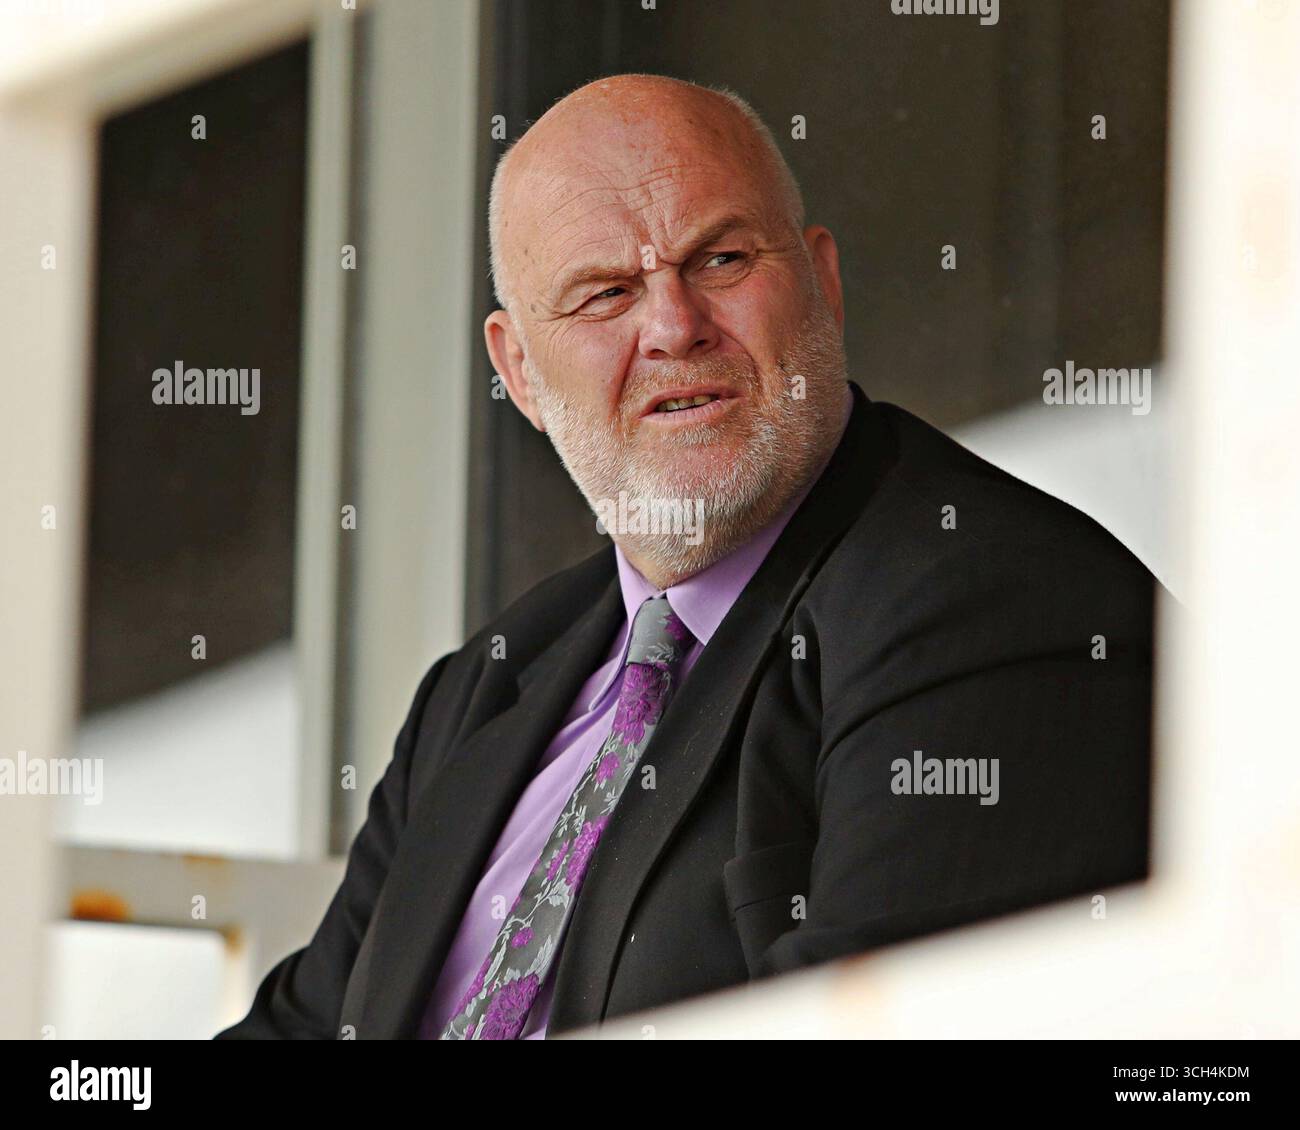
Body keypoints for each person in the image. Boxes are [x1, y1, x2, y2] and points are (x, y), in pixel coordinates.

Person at [217, 73, 1155, 1040]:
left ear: (822, 284)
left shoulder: (989, 601)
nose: (672, 326)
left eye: (721, 258)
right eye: (605, 293)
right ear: (521, 374)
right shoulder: (483, 690)